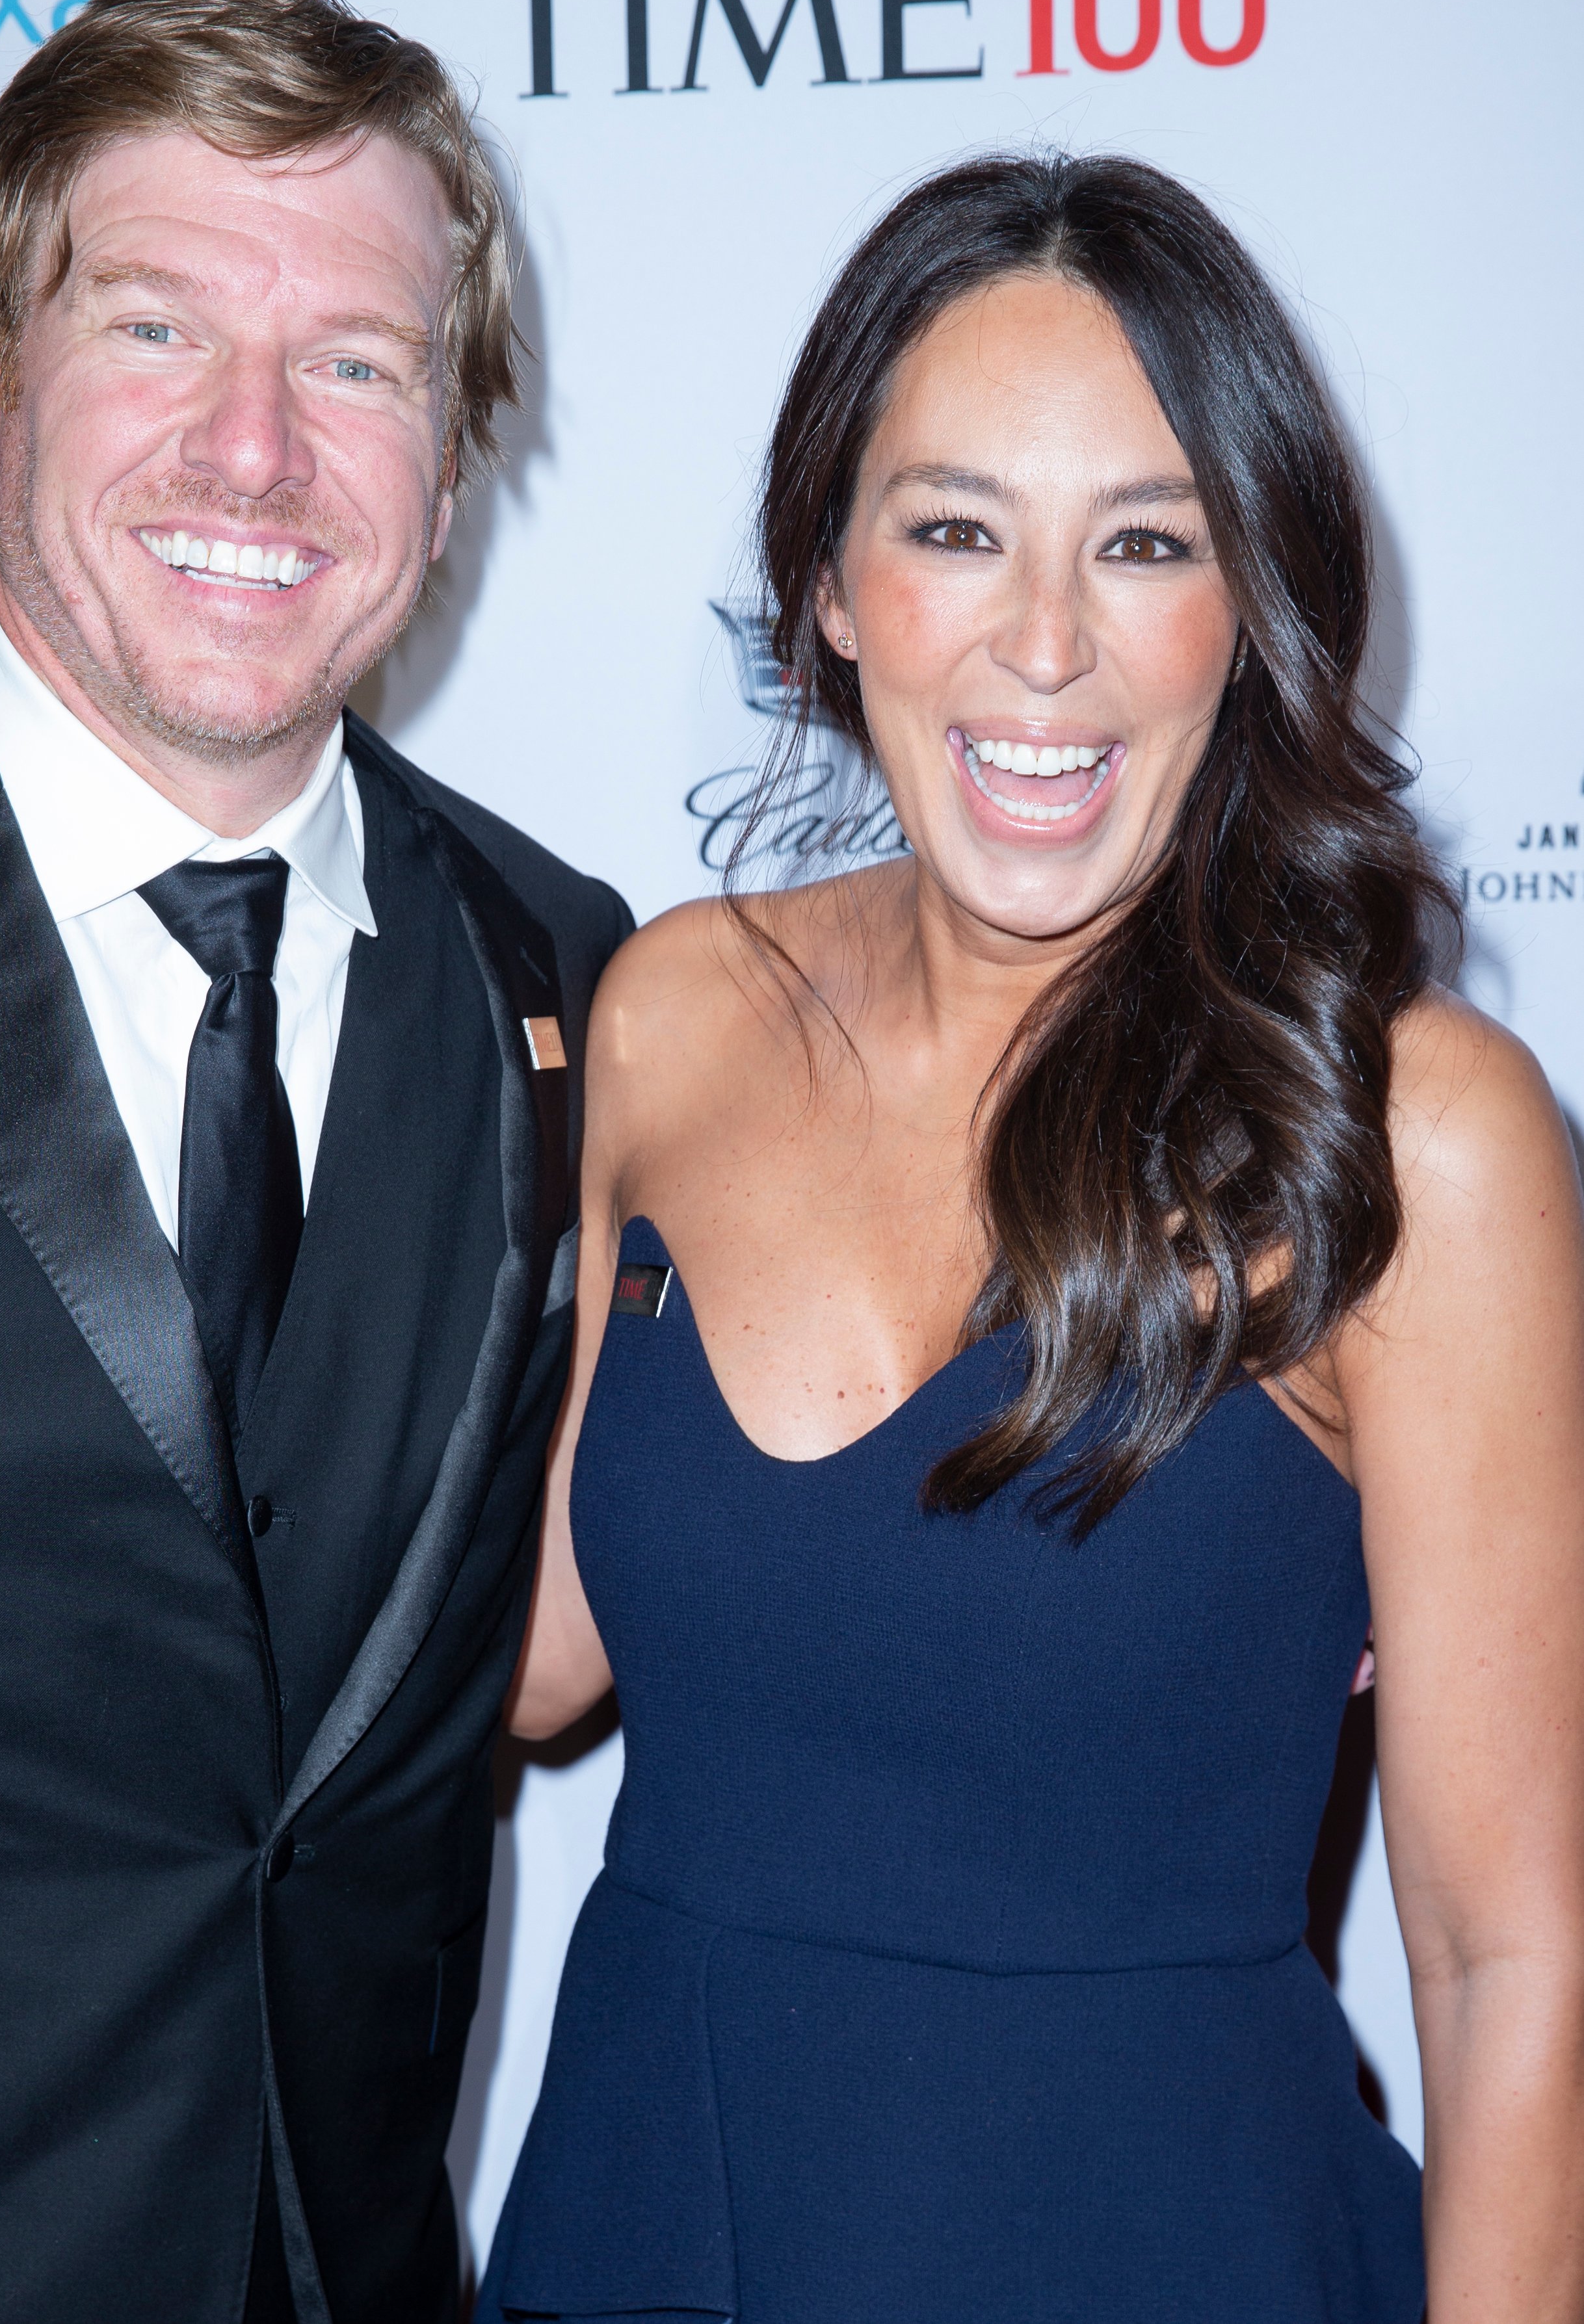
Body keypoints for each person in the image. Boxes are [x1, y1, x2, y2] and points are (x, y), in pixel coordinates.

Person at [480, 155, 1584, 2322]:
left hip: (1156, 2241)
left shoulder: (1411, 1132)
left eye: (1146, 542)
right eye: (955, 528)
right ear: (827, 577)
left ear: (1244, 603)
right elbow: (535, 1658)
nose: (1046, 644)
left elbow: (1503, 1947)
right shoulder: (673, 1011)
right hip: (650, 2221)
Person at [0, 0, 629, 2324]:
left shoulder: (571, 972)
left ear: (453, 455)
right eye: (162, 328)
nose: (257, 452)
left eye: (358, 365)